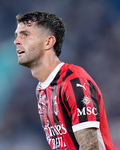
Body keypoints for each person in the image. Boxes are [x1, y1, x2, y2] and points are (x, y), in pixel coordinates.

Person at [14, 11, 114, 150]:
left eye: (25, 35)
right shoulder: (41, 89)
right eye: (17, 35)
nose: (16, 41)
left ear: (48, 42)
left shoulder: (73, 81)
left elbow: (90, 147)